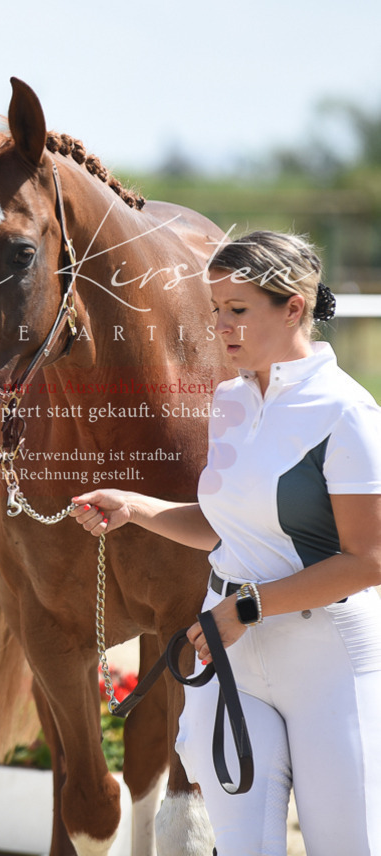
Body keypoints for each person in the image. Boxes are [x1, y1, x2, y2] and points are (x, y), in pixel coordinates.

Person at [70, 230, 381, 856]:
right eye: (215, 310)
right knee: (241, 847)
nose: (220, 326)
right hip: (231, 652)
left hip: (325, 656)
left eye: (237, 310)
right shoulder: (230, 400)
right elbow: (226, 523)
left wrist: (246, 607)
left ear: (293, 308)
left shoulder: (346, 411)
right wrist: (136, 508)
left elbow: (368, 560)